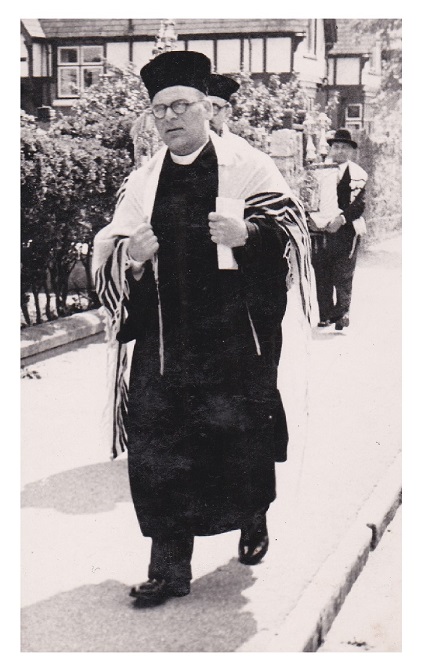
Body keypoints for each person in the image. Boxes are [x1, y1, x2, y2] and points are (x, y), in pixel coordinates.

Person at [93, 50, 313, 608]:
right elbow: (108, 250)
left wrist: (250, 232)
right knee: (159, 449)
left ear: (208, 109)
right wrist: (132, 259)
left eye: (182, 105)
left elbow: (292, 231)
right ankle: (168, 569)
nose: (169, 118)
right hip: (166, 342)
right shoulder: (143, 181)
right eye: (159, 109)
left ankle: (253, 517)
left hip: (235, 338)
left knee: (239, 442)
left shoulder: (249, 165)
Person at [311, 128, 368, 330]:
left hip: (346, 231)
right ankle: (325, 314)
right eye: (336, 147)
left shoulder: (359, 175)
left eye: (344, 147)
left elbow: (359, 205)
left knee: (343, 274)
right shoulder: (318, 171)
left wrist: (342, 219)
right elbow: (309, 198)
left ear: (351, 151)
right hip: (321, 229)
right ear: (331, 149)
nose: (340, 150)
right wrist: (312, 218)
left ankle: (342, 313)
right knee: (322, 272)